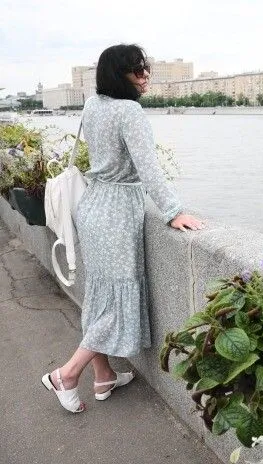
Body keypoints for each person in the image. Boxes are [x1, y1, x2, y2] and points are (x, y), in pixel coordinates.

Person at [41, 44, 204, 413]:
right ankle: (66, 375)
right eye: (137, 72)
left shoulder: (92, 103)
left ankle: (104, 376)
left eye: (146, 70)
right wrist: (174, 210)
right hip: (117, 213)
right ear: (120, 75)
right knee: (115, 303)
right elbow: (149, 169)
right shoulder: (129, 111)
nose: (145, 77)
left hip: (94, 206)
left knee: (101, 294)